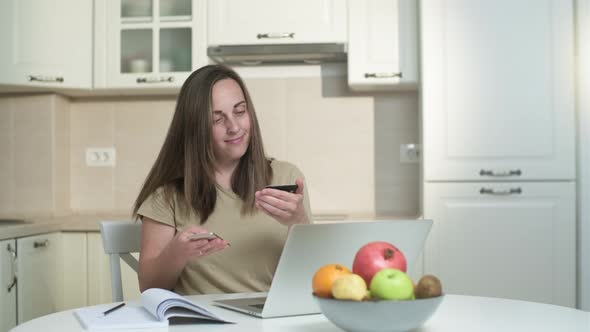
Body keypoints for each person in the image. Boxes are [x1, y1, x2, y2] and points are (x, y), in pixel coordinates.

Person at [132, 64, 312, 295]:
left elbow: (312, 275)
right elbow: (149, 288)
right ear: (195, 128)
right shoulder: (167, 196)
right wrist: (177, 252)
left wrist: (299, 221)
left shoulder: (286, 176)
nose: (234, 127)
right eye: (217, 119)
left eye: (240, 111)